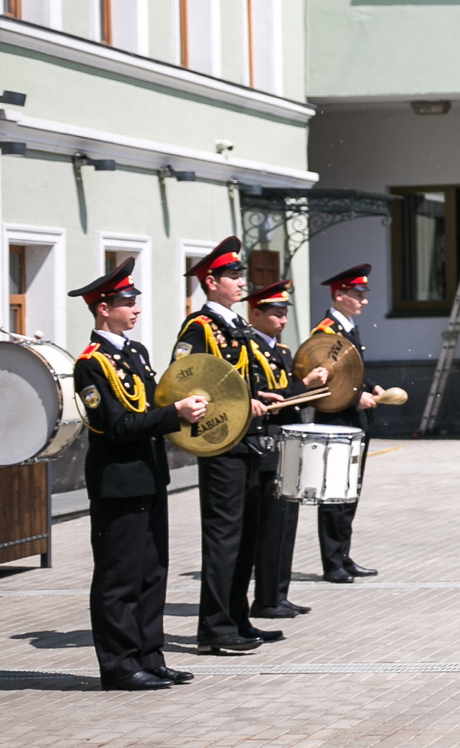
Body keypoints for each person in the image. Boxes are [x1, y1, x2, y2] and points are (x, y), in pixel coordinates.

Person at [70, 259, 209, 691]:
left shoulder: (135, 352)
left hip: (149, 476)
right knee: (119, 576)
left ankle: (150, 654)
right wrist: (174, 414)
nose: (136, 309)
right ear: (103, 308)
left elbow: (149, 409)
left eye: (134, 301)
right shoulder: (90, 364)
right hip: (118, 480)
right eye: (127, 302)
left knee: (152, 572)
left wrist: (183, 409)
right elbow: (117, 426)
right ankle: (119, 664)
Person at [177, 238, 286, 656]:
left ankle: (237, 617)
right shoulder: (199, 328)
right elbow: (187, 385)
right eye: (233, 276)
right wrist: (243, 403)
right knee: (224, 537)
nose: (242, 282)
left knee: (247, 536)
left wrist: (263, 395)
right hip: (221, 443)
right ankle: (214, 624)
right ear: (211, 281)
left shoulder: (235, 326)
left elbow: (240, 380)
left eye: (241, 275)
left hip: (247, 442)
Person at [244, 281, 322, 621]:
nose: (282, 321)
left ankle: (278, 593)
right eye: (275, 314)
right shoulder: (248, 349)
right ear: (255, 314)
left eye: (284, 314)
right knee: (270, 524)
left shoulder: (283, 351)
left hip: (285, 441)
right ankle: (265, 598)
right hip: (265, 443)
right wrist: (304, 386)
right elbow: (267, 394)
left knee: (286, 522)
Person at [305, 265, 384, 583]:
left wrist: (374, 385)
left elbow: (352, 370)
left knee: (350, 490)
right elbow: (327, 382)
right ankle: (332, 562)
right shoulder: (325, 332)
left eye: (363, 295)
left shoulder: (347, 327)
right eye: (357, 294)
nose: (363, 301)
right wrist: (356, 398)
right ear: (339, 295)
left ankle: (343, 555)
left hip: (354, 421)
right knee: (334, 492)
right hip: (336, 419)